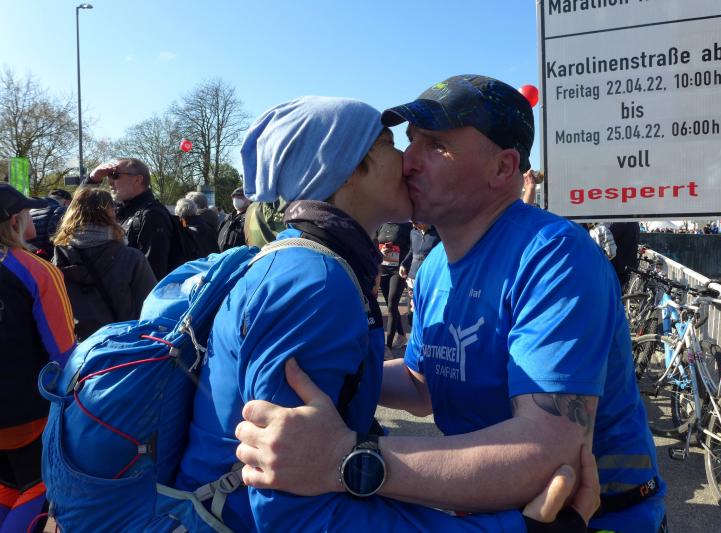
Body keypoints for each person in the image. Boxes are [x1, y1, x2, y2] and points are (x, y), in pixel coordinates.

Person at [235, 75, 667, 532]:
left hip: (600, 518)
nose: (408, 161)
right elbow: (424, 384)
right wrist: (319, 371)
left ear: (502, 169)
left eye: (436, 145)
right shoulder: (436, 265)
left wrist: (344, 457)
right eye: (410, 140)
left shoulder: (554, 256)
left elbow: (545, 454)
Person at [0, 184, 75, 533]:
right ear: (15, 221)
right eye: (28, 212)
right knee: (39, 486)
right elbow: (63, 352)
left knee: (5, 485)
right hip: (26, 409)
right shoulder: (36, 270)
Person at [51, 187, 156, 341]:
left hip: (77, 348)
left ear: (71, 213)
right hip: (124, 344)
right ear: (111, 214)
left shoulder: (58, 258)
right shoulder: (131, 258)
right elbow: (151, 308)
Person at [86, 158, 173, 280]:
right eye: (108, 175)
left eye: (115, 175)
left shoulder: (152, 215)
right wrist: (92, 179)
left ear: (137, 179)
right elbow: (76, 214)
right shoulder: (118, 209)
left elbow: (152, 274)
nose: (110, 182)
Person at [376, 221, 412, 350]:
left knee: (392, 304)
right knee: (391, 305)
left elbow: (413, 248)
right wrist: (381, 251)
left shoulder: (406, 226)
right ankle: (401, 335)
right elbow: (375, 244)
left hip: (398, 270)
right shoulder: (382, 225)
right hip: (384, 269)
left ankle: (388, 345)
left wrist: (405, 263)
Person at [399, 221, 440, 327]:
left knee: (427, 313)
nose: (414, 225)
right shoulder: (413, 232)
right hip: (413, 278)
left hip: (430, 279)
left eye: (416, 222)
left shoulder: (438, 233)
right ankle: (413, 335)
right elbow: (411, 251)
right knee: (411, 313)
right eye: (413, 222)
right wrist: (403, 264)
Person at [29, 189, 72, 260]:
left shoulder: (31, 210)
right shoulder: (61, 210)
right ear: (67, 202)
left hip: (31, 255)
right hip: (48, 257)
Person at [608, 222, 641, 289]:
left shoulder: (622, 223)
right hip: (629, 264)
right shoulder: (635, 224)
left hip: (619, 265)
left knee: (614, 288)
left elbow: (607, 236)